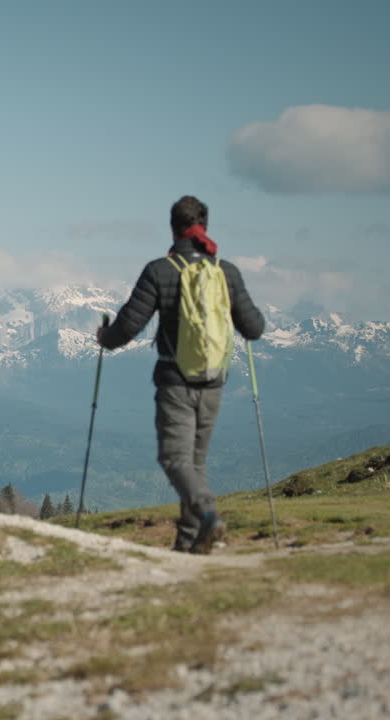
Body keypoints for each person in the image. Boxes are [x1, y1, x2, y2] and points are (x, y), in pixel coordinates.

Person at [96, 195, 265, 554]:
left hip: (175, 382)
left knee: (174, 459)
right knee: (196, 462)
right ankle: (190, 543)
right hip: (214, 382)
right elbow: (254, 329)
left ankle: (207, 514)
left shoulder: (161, 270)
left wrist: (104, 337)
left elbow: (128, 326)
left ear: (173, 228)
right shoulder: (226, 272)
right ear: (205, 226)